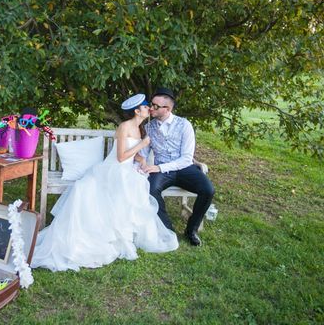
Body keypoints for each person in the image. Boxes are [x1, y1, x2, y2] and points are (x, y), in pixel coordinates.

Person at [31, 93, 178, 272]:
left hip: (126, 170)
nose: (150, 109)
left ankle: (124, 234)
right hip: (113, 169)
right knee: (86, 189)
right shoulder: (124, 127)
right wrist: (142, 144)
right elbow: (121, 156)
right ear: (137, 110)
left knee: (135, 186)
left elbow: (133, 154)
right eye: (147, 106)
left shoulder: (141, 128)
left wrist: (142, 161)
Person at [139, 87, 215, 246]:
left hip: (184, 169)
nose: (151, 108)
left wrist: (159, 168)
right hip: (162, 172)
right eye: (151, 104)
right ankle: (167, 230)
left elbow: (187, 158)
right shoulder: (149, 127)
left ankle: (191, 230)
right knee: (151, 190)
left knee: (208, 190)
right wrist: (141, 165)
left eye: (155, 106)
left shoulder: (185, 125)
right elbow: (144, 154)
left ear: (167, 109)